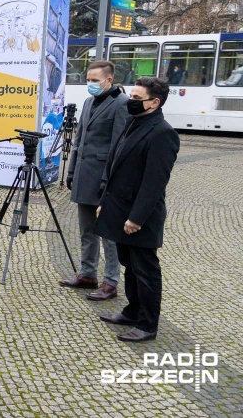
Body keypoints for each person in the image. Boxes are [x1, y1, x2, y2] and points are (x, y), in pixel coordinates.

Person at [95, 77, 179, 343]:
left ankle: (147, 324)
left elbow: (154, 182)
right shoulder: (135, 122)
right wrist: (104, 203)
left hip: (139, 217)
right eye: (131, 96)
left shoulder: (162, 133)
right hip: (119, 209)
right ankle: (132, 311)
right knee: (128, 266)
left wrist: (136, 218)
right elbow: (116, 164)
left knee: (145, 270)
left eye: (136, 98)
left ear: (154, 103)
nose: (130, 101)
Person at [61, 61, 129, 301]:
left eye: (94, 80)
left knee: (109, 234)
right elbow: (79, 140)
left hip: (104, 179)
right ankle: (88, 273)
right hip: (83, 175)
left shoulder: (121, 104)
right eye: (87, 79)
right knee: (87, 230)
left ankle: (111, 282)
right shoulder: (89, 102)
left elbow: (117, 147)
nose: (89, 83)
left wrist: (106, 180)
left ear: (108, 80)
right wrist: (71, 171)